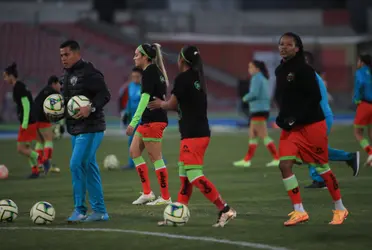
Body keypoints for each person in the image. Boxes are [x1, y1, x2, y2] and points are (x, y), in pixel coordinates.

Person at [148, 45, 236, 227]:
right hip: (197, 132)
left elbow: (172, 104)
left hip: (193, 134)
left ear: (182, 60)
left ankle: (225, 209)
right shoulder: (198, 78)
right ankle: (177, 212)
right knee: (185, 177)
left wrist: (160, 104)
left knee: (194, 176)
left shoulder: (182, 78)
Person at [275, 32, 348, 226]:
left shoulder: (304, 70)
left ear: (297, 48)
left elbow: (314, 98)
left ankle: (340, 208)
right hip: (291, 128)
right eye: (281, 44)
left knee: (322, 168)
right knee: (284, 165)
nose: (283, 47)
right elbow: (282, 97)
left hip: (311, 125)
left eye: (288, 45)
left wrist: (295, 117)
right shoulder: (280, 70)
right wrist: (283, 117)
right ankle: (299, 211)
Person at [60, 40, 111, 222]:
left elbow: (105, 94)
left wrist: (91, 108)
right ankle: (100, 211)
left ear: (76, 53)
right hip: (75, 128)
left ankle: (80, 209)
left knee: (76, 164)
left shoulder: (89, 72)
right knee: (89, 166)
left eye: (66, 55)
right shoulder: (65, 76)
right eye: (61, 56)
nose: (63, 59)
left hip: (91, 127)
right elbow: (67, 103)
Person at [303, 51, 359, 189]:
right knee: (313, 148)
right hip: (316, 116)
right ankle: (348, 158)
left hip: (319, 116)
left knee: (312, 148)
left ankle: (321, 179)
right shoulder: (306, 76)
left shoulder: (308, 76)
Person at [126, 43, 171, 206]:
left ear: (145, 57)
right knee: (134, 151)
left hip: (154, 120)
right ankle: (147, 193)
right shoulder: (154, 71)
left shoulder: (149, 72)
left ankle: (165, 197)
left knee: (156, 158)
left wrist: (133, 122)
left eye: (137, 55)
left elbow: (145, 99)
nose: (134, 57)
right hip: (148, 120)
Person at [233, 60, 280, 168]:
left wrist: (245, 98)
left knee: (263, 135)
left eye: (251, 67)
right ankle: (247, 160)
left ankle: (277, 158)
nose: (249, 69)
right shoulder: (262, 78)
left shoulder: (256, 78)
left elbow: (254, 93)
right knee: (253, 135)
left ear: (257, 69)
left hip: (259, 110)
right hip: (261, 109)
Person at [3, 63, 41, 178]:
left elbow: (26, 105)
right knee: (27, 148)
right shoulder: (20, 86)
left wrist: (24, 123)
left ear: (11, 76)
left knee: (21, 148)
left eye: (5, 76)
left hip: (28, 122)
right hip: (30, 121)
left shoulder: (18, 87)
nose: (4, 79)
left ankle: (42, 160)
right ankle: (35, 172)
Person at [33, 75, 63, 174]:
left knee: (40, 142)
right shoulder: (53, 93)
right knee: (48, 140)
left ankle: (39, 165)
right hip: (42, 118)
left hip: (33, 118)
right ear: (54, 83)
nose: (60, 86)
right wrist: (60, 123)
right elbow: (58, 109)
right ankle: (48, 164)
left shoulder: (43, 91)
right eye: (59, 84)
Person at [119, 67, 143, 169]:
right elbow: (129, 102)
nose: (135, 79)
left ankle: (161, 160)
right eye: (133, 77)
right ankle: (131, 163)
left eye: (137, 77)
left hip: (142, 119)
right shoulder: (130, 87)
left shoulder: (144, 87)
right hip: (133, 119)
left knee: (149, 142)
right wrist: (126, 113)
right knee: (131, 141)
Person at [353, 54, 372, 166]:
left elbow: (360, 83)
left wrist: (356, 99)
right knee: (370, 131)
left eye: (358, 61)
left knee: (358, 132)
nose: (357, 63)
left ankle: (370, 152)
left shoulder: (360, 72)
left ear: (362, 62)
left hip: (365, 104)